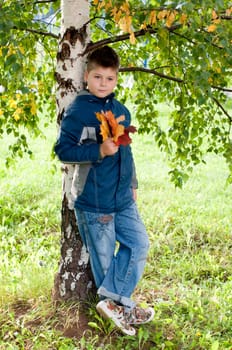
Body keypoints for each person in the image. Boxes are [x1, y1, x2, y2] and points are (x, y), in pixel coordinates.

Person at [54, 45, 154, 336]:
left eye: (109, 79)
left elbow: (127, 153)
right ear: (86, 77)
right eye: (98, 77)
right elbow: (63, 150)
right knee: (104, 258)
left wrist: (133, 184)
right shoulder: (78, 112)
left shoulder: (120, 110)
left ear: (116, 80)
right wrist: (98, 149)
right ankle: (119, 306)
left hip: (122, 199)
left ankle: (116, 302)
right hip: (94, 201)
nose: (103, 84)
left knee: (139, 244)